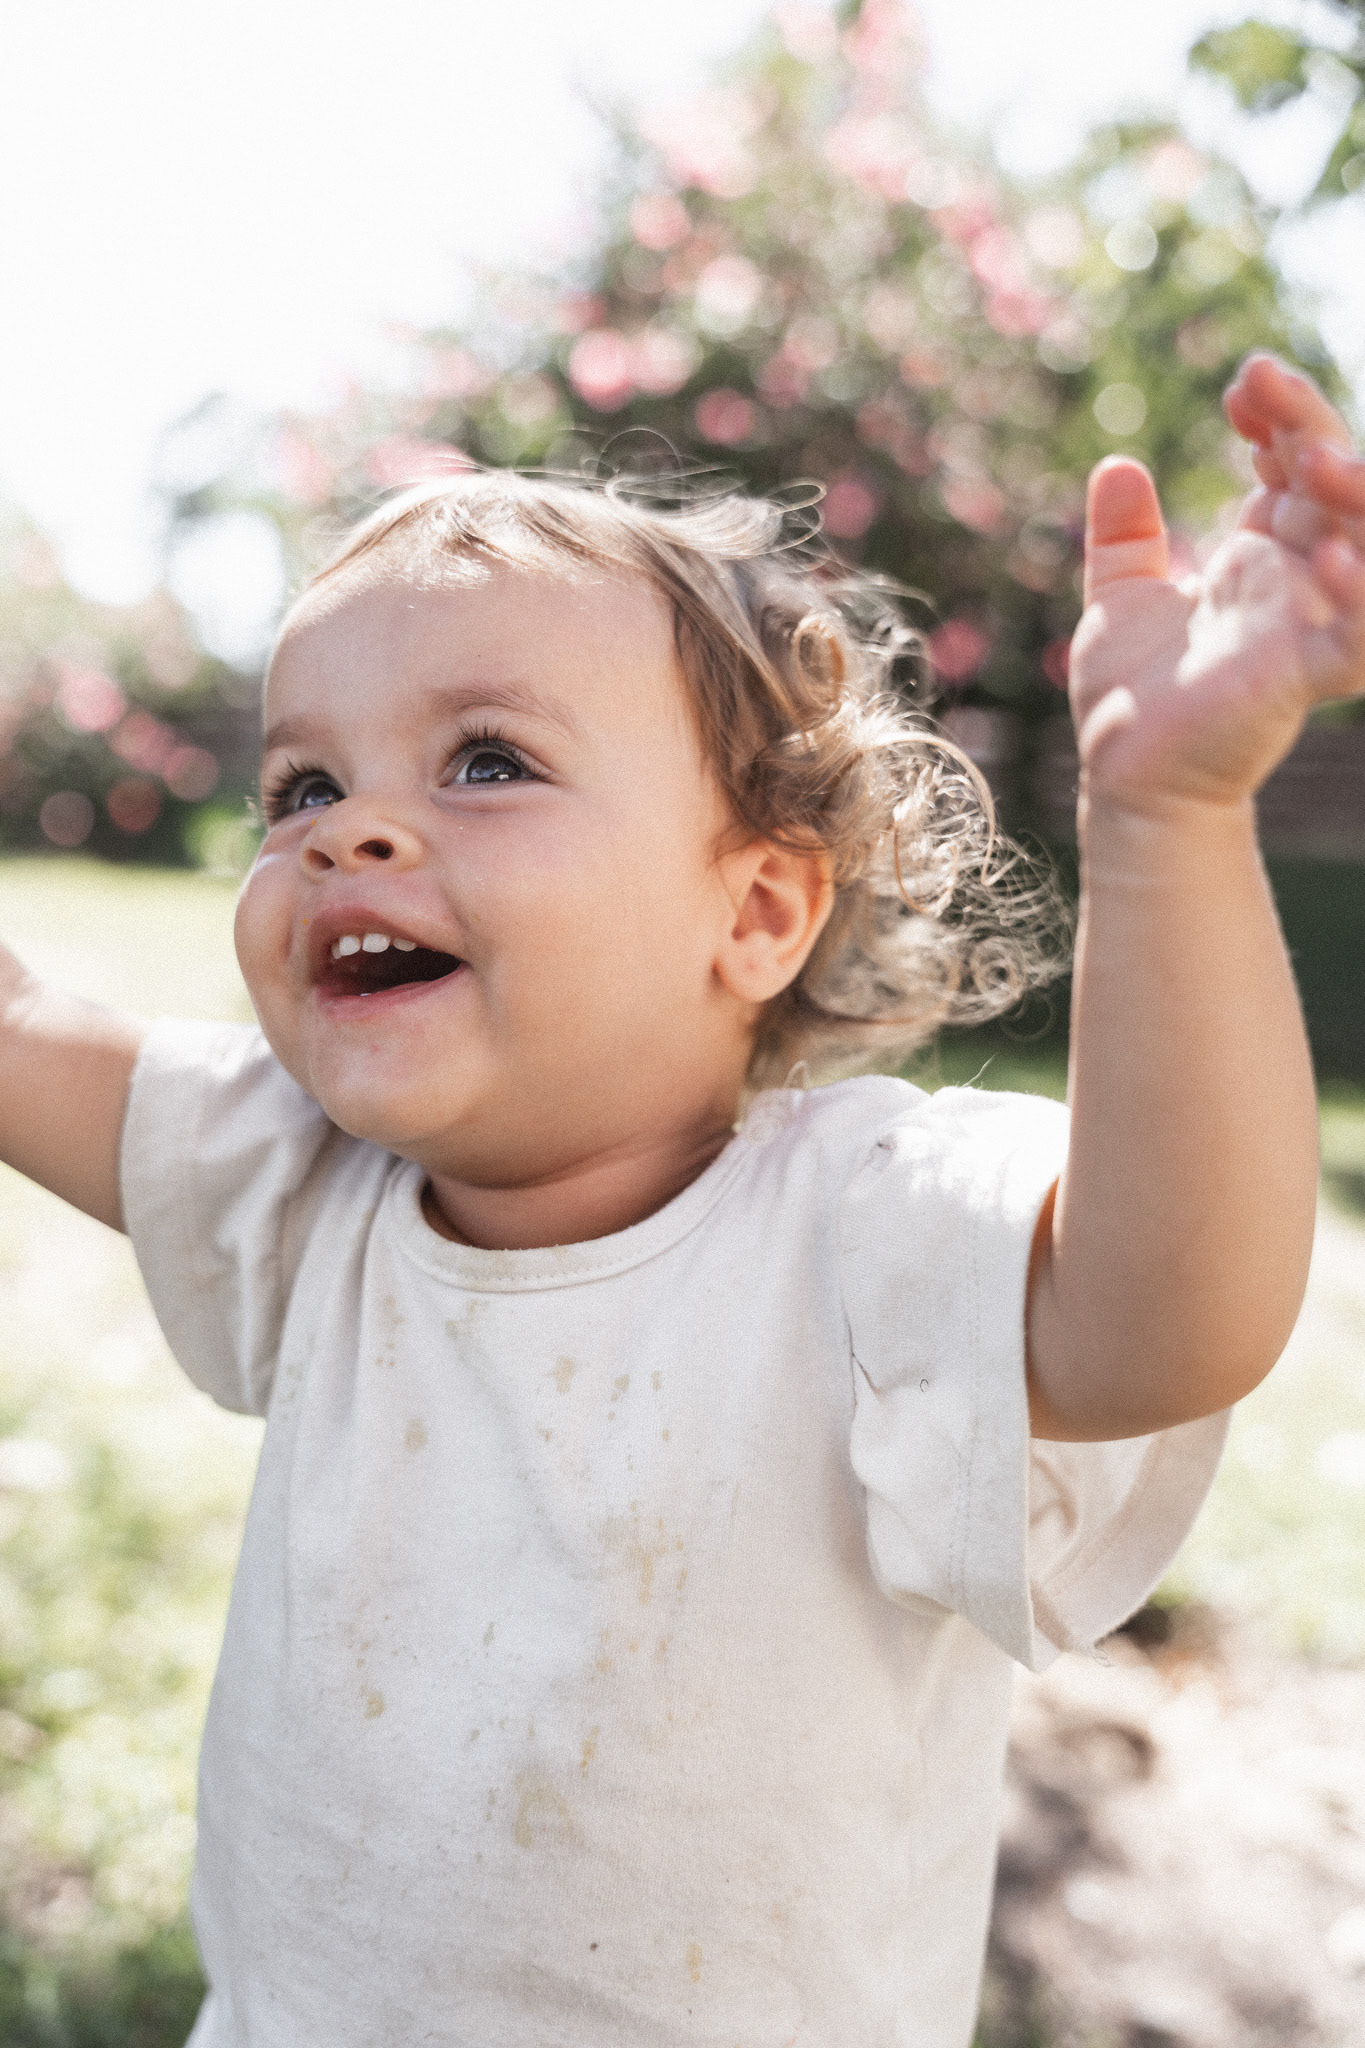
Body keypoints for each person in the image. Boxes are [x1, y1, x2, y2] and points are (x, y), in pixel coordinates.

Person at [2, 352, 1362, 2048]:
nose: (351, 834)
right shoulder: (302, 1180)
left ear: (756, 913)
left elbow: (1173, 1312)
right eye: (304, 788)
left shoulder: (861, 1236)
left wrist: (1166, 815)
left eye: (484, 761)